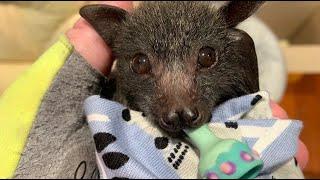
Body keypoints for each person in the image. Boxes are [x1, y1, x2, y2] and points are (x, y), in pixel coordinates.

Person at [0, 1, 308, 178]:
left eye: (205, 59)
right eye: (143, 65)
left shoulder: (237, 76)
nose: (180, 108)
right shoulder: (108, 113)